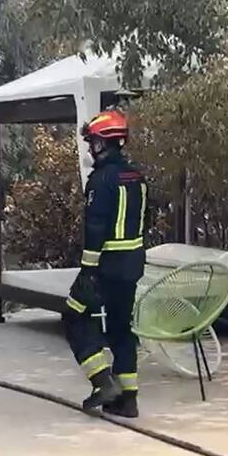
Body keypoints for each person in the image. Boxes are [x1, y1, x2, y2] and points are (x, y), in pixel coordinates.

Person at [63, 109, 148, 418]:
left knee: (73, 316)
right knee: (121, 328)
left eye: (93, 142)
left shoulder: (100, 181)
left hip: (105, 267)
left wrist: (88, 271)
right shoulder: (137, 178)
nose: (90, 148)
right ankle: (128, 399)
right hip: (132, 266)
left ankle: (102, 382)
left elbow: (95, 228)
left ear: (104, 143)